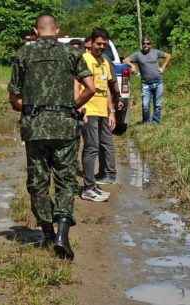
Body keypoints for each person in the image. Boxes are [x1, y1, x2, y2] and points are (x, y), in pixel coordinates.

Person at [9, 15, 94, 261]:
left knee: (38, 180)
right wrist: (71, 105)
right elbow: (90, 87)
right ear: (57, 30)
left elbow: (14, 98)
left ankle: (47, 232)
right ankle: (62, 234)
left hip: (35, 128)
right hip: (65, 126)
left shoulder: (23, 55)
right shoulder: (71, 53)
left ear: (35, 31)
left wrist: (31, 107)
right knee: (66, 180)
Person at [80, 28, 121, 200]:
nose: (101, 47)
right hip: (89, 109)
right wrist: (79, 108)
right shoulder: (84, 59)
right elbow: (75, 84)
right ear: (91, 43)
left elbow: (107, 90)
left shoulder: (105, 61)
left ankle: (95, 184)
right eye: (98, 44)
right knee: (91, 148)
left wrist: (111, 112)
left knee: (103, 144)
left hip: (103, 110)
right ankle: (88, 187)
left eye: (104, 44)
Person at [124, 37, 171, 123]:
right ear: (142, 45)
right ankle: (146, 122)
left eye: (148, 43)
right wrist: (132, 66)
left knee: (158, 105)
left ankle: (156, 122)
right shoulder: (138, 55)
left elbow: (168, 56)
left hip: (158, 82)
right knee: (145, 105)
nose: (146, 45)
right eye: (144, 43)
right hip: (146, 84)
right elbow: (125, 60)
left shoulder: (156, 52)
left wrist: (163, 67)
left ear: (151, 45)